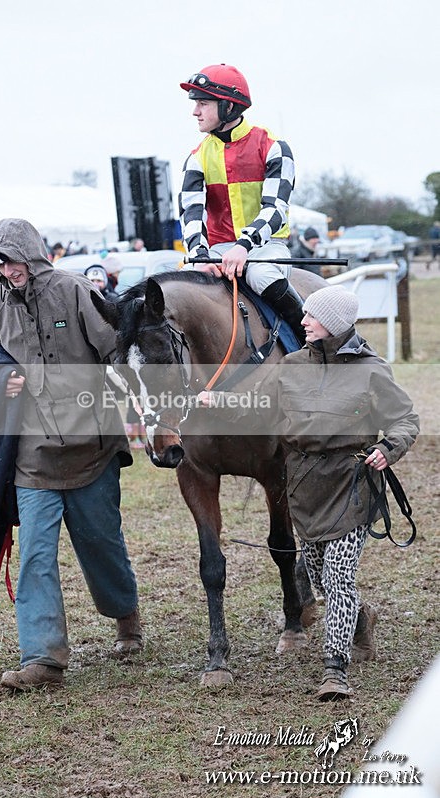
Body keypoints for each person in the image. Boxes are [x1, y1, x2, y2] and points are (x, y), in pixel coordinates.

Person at [198, 286, 419, 701]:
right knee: (318, 578)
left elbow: (405, 418)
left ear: (333, 324)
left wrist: (388, 449)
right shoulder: (293, 365)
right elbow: (259, 409)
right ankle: (359, 618)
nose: (302, 321)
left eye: (311, 317)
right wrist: (218, 402)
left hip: (350, 483)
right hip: (304, 488)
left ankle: (335, 670)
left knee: (337, 577)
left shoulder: (371, 369)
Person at [0, 218, 142, 691]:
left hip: (93, 445)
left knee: (101, 543)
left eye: (9, 258)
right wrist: (1, 380)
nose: (5, 270)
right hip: (32, 456)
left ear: (31, 253)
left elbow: (117, 351)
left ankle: (124, 614)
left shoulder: (76, 291)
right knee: (35, 556)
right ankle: (43, 659)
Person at [179, 63, 304, 342]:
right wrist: (199, 255)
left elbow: (275, 209)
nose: (195, 111)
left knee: (259, 274)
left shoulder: (274, 147)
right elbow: (191, 213)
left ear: (228, 106)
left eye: (202, 103)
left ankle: (313, 344)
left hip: (265, 249)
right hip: (216, 251)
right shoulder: (196, 157)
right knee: (176, 287)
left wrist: (244, 245)